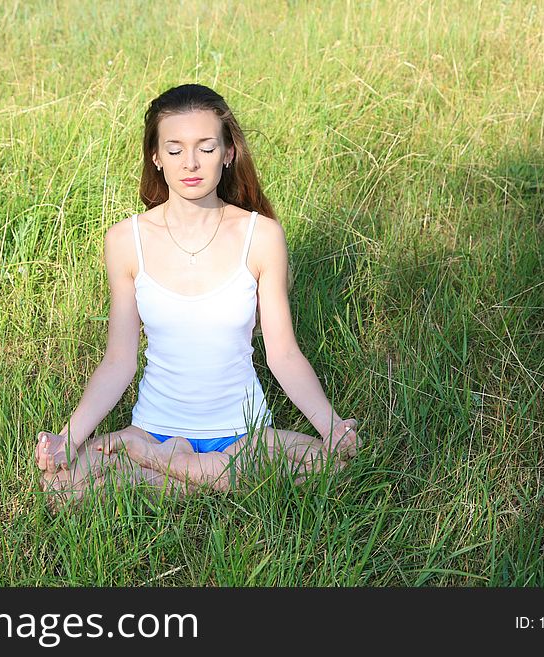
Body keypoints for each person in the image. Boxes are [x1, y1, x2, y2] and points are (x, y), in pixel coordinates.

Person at [35, 83, 360, 505]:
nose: (190, 163)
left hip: (246, 436)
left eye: (206, 148)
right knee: (59, 486)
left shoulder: (260, 236)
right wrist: (68, 437)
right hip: (154, 427)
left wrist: (332, 427)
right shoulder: (125, 240)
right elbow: (118, 360)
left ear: (228, 154)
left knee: (336, 464)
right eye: (174, 150)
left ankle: (163, 469)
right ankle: (201, 474)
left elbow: (283, 355)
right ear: (155, 157)